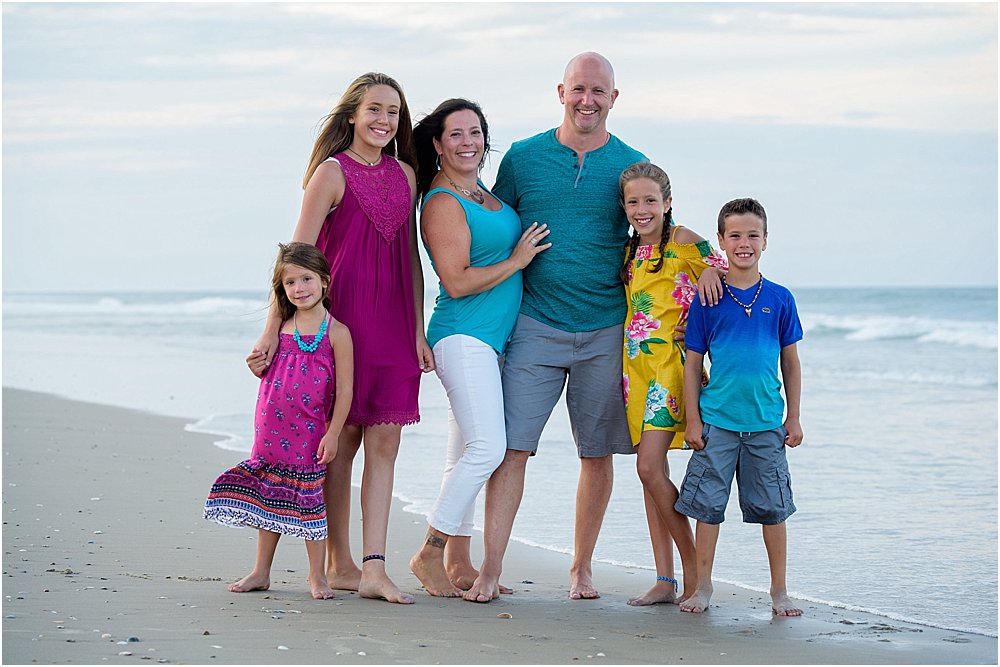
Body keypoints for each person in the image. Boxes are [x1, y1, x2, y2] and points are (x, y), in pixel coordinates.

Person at [464, 52, 645, 603]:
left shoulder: (633, 165)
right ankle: (491, 569)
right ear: (560, 92)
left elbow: (655, 227)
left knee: (597, 454)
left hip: (606, 329)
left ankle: (581, 568)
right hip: (535, 325)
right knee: (511, 450)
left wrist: (708, 264)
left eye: (598, 91)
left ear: (615, 98)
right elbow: (492, 223)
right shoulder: (522, 158)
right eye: (578, 90)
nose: (587, 100)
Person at [247, 72, 434, 605]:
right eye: (374, 109)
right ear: (352, 114)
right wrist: (271, 330)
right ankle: (341, 560)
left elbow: (412, 261)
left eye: (393, 112)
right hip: (342, 326)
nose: (383, 120)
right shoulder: (330, 174)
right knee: (340, 442)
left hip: (396, 324)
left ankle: (374, 567)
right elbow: (296, 260)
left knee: (386, 440)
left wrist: (417, 329)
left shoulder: (406, 173)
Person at [407, 99, 550, 597]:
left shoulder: (481, 192)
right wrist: (517, 260)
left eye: (476, 133)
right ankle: (428, 551)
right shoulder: (443, 202)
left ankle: (459, 563)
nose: (468, 142)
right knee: (489, 448)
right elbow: (458, 280)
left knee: (464, 452)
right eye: (456, 134)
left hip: (492, 342)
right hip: (464, 335)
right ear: (438, 144)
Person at [674, 197, 804, 616]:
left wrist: (794, 416)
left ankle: (779, 592)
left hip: (766, 424)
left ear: (766, 241)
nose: (743, 243)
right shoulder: (708, 299)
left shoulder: (781, 299)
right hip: (716, 424)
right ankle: (703, 587)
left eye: (752, 235)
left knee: (773, 510)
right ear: (721, 241)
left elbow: (790, 361)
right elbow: (693, 364)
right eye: (735, 235)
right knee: (708, 508)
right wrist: (693, 419)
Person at [205, 242, 353, 600]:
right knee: (269, 495)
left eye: (306, 279)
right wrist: (254, 365)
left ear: (324, 282)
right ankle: (261, 571)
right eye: (290, 283)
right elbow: (264, 370)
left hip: (310, 431)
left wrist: (333, 434)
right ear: (282, 290)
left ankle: (317, 576)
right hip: (270, 427)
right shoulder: (280, 330)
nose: (299, 288)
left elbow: (346, 391)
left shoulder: (337, 333)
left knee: (309, 501)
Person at [618, 162, 727, 606]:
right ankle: (665, 581)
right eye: (633, 202)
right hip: (634, 374)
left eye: (650, 201)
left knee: (648, 467)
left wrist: (708, 273)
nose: (642, 210)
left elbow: (729, 271)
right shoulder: (629, 251)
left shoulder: (682, 240)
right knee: (651, 476)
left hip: (671, 368)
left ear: (667, 203)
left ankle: (696, 572)